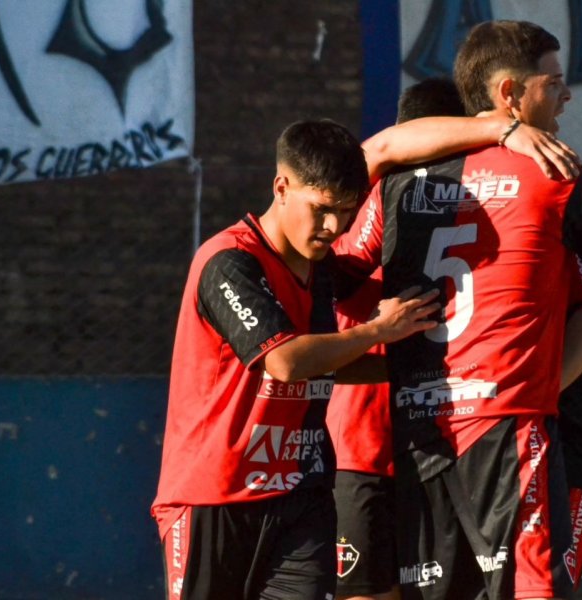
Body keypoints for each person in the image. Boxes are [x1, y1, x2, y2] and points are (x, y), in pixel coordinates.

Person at [335, 19, 582, 600]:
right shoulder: (554, 171)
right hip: (507, 421)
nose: (566, 94)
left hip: (421, 422)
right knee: (531, 589)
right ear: (508, 94)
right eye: (554, 82)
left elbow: (337, 269)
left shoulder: (391, 188)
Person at [150, 119, 442, 600]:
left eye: (345, 213)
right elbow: (284, 360)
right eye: (322, 209)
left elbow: (327, 363)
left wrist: (414, 368)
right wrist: (376, 332)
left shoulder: (321, 268)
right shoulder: (227, 261)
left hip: (300, 492)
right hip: (213, 496)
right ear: (281, 187)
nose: (334, 227)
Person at [327, 78, 468, 600]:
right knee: (366, 590)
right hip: (363, 440)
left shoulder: (475, 195)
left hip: (435, 436)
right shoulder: (374, 194)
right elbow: (334, 278)